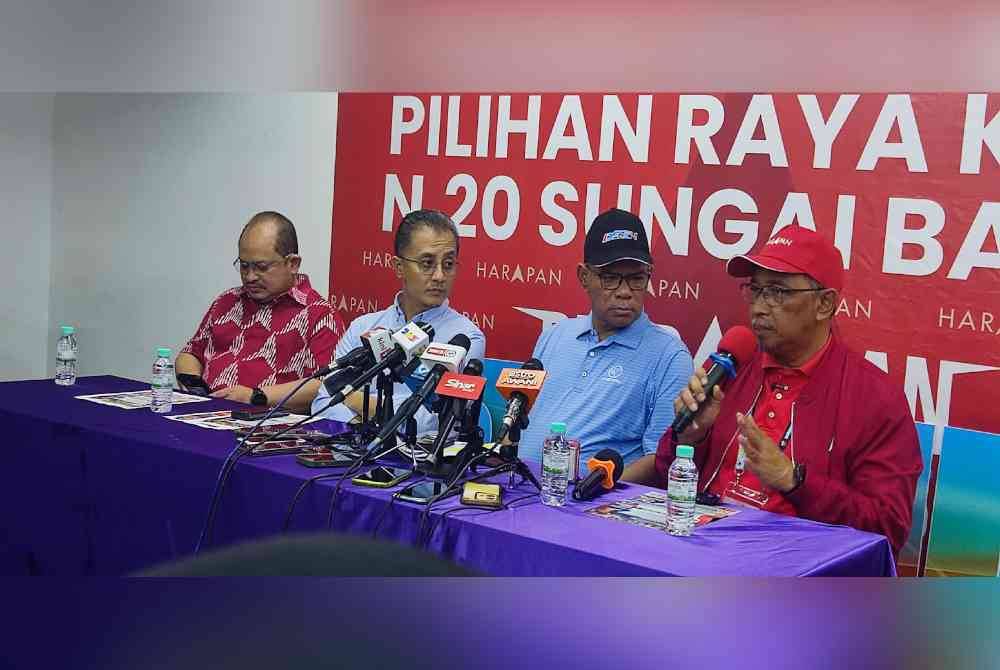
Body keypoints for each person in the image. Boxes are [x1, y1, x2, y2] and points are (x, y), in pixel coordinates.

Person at [629, 225, 922, 556]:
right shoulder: (732, 365)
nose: (759, 307)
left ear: (825, 304)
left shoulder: (875, 398)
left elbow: (887, 529)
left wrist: (794, 480)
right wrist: (690, 438)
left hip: (796, 575)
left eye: (778, 292)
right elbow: (668, 472)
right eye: (755, 290)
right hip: (697, 552)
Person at [515, 208, 693, 476]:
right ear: (584, 277)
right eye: (610, 278)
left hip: (588, 508)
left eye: (636, 278)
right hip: (517, 493)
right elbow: (516, 418)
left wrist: (591, 494)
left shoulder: (670, 357)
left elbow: (659, 459)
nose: (624, 292)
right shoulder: (555, 334)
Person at [312, 209, 485, 434]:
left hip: (417, 463)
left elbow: (432, 422)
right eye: (427, 263)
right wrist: (371, 423)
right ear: (399, 267)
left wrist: (358, 403)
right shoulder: (364, 327)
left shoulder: (465, 338)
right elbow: (324, 401)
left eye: (449, 264)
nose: (440, 276)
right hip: (349, 452)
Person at [176, 211, 343, 412]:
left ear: (293, 264)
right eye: (244, 266)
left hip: (266, 430)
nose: (250, 276)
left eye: (261, 267)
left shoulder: (319, 315)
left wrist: (255, 396)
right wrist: (194, 385)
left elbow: (325, 386)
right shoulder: (227, 301)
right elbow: (191, 353)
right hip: (205, 414)